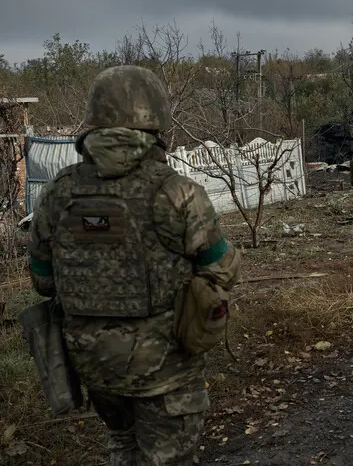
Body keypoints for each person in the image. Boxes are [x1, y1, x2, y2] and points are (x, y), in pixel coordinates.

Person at [27, 65, 241, 465]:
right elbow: (223, 268)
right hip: (167, 372)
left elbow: (42, 280)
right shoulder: (177, 192)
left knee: (123, 447)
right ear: (155, 120)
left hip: (96, 369)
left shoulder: (59, 192)